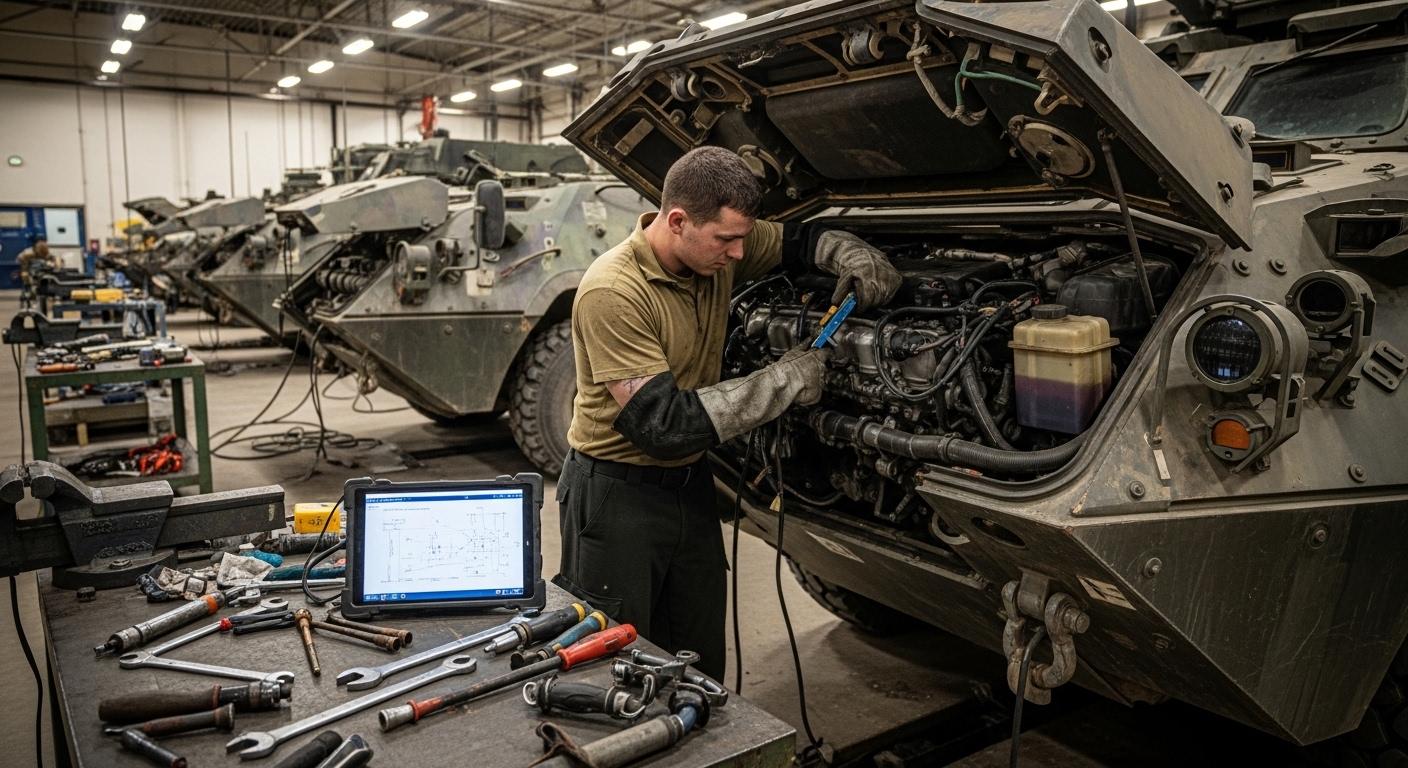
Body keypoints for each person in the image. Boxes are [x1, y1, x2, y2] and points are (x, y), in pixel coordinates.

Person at [555, 146, 901, 680]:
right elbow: (662, 426)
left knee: (697, 656)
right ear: (677, 222)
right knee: (612, 661)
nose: (739, 254)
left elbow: (795, 242)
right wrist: (785, 379)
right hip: (616, 496)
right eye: (726, 240)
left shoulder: (716, 243)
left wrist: (848, 253)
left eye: (743, 237)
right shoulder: (613, 291)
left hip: (689, 486)